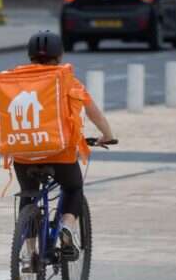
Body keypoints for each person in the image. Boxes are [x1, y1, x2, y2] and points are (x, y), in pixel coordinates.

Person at [14, 31, 116, 265]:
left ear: (29, 55)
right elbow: (93, 113)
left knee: (28, 196)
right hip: (59, 152)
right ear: (59, 55)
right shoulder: (67, 80)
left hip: (23, 152)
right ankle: (67, 226)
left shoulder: (14, 79)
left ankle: (30, 254)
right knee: (73, 188)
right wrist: (107, 136)